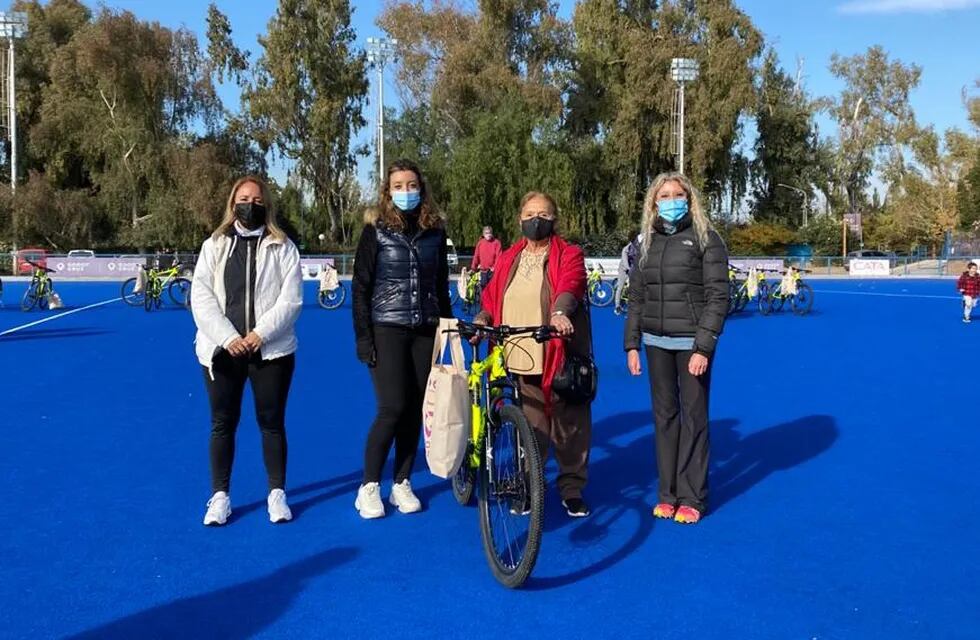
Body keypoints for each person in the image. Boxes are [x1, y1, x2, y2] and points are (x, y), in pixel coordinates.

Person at [191, 176, 303, 526]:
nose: (249, 205)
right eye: (243, 198)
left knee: (271, 423)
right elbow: (202, 296)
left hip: (271, 351)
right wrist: (228, 337)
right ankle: (220, 496)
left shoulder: (283, 246)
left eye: (256, 200)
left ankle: (276, 494)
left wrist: (259, 335)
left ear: (266, 204)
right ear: (232, 203)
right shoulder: (215, 245)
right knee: (223, 423)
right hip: (222, 351)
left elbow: (291, 299)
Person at [476, 192, 594, 518]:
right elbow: (491, 296)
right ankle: (529, 487)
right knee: (532, 426)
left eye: (543, 213)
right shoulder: (509, 256)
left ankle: (571, 488)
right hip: (520, 353)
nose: (536, 219)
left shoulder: (568, 253)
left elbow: (571, 284)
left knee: (569, 427)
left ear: (554, 219)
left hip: (558, 352)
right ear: (520, 219)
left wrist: (560, 313)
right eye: (530, 213)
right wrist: (483, 319)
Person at [624, 172, 728, 525]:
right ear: (653, 203)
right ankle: (667, 493)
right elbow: (637, 296)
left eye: (677, 194)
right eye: (664, 195)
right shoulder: (645, 243)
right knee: (664, 419)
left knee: (693, 418)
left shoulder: (706, 239)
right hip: (655, 342)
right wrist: (631, 344)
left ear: (689, 199)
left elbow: (718, 297)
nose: (671, 200)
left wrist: (703, 346)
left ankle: (693, 496)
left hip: (691, 344)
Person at [351, 159, 453, 519]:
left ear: (421, 189)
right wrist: (364, 338)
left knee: (414, 409)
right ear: (387, 191)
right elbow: (361, 287)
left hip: (425, 328)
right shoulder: (375, 231)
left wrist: (449, 328)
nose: (406, 192)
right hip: (387, 327)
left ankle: (402, 482)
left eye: (412, 185)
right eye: (398, 185)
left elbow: (440, 286)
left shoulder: (435, 233)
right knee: (391, 407)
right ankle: (368, 487)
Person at [614, 233, 642, 314]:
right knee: (620, 287)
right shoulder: (626, 249)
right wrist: (630, 270)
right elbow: (625, 262)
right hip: (624, 269)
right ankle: (617, 306)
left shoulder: (638, 247)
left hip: (632, 269)